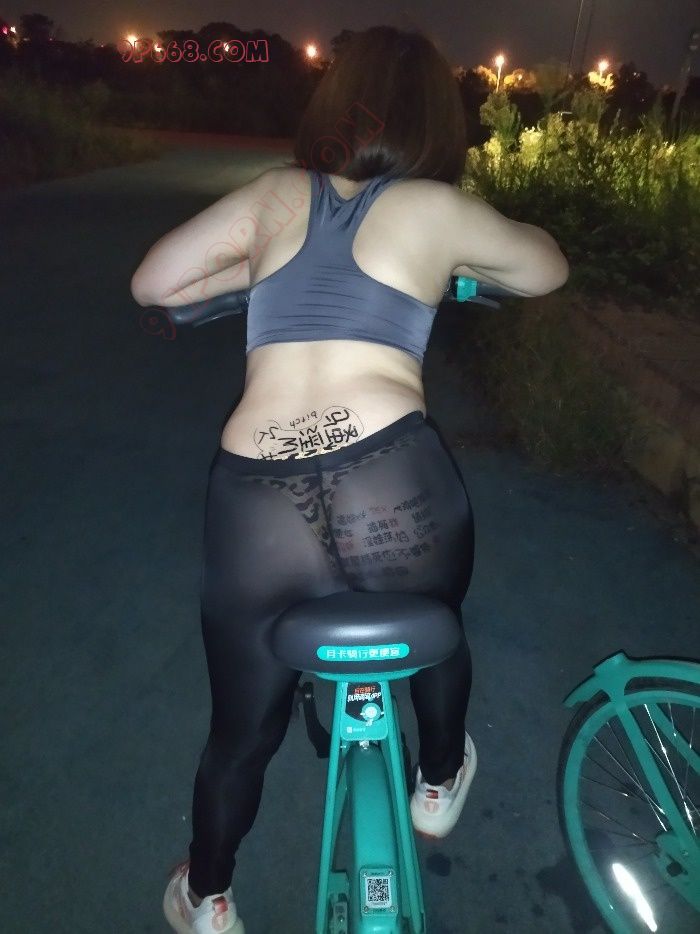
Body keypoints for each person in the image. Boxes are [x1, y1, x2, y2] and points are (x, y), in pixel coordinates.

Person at [131, 24, 569, 934]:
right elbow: (545, 270)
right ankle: (437, 778)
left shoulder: (277, 194)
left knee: (238, 734)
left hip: (258, 503)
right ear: (439, 122)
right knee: (439, 626)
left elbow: (155, 284)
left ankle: (207, 897)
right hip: (391, 481)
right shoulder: (436, 208)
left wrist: (249, 274)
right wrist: (459, 260)